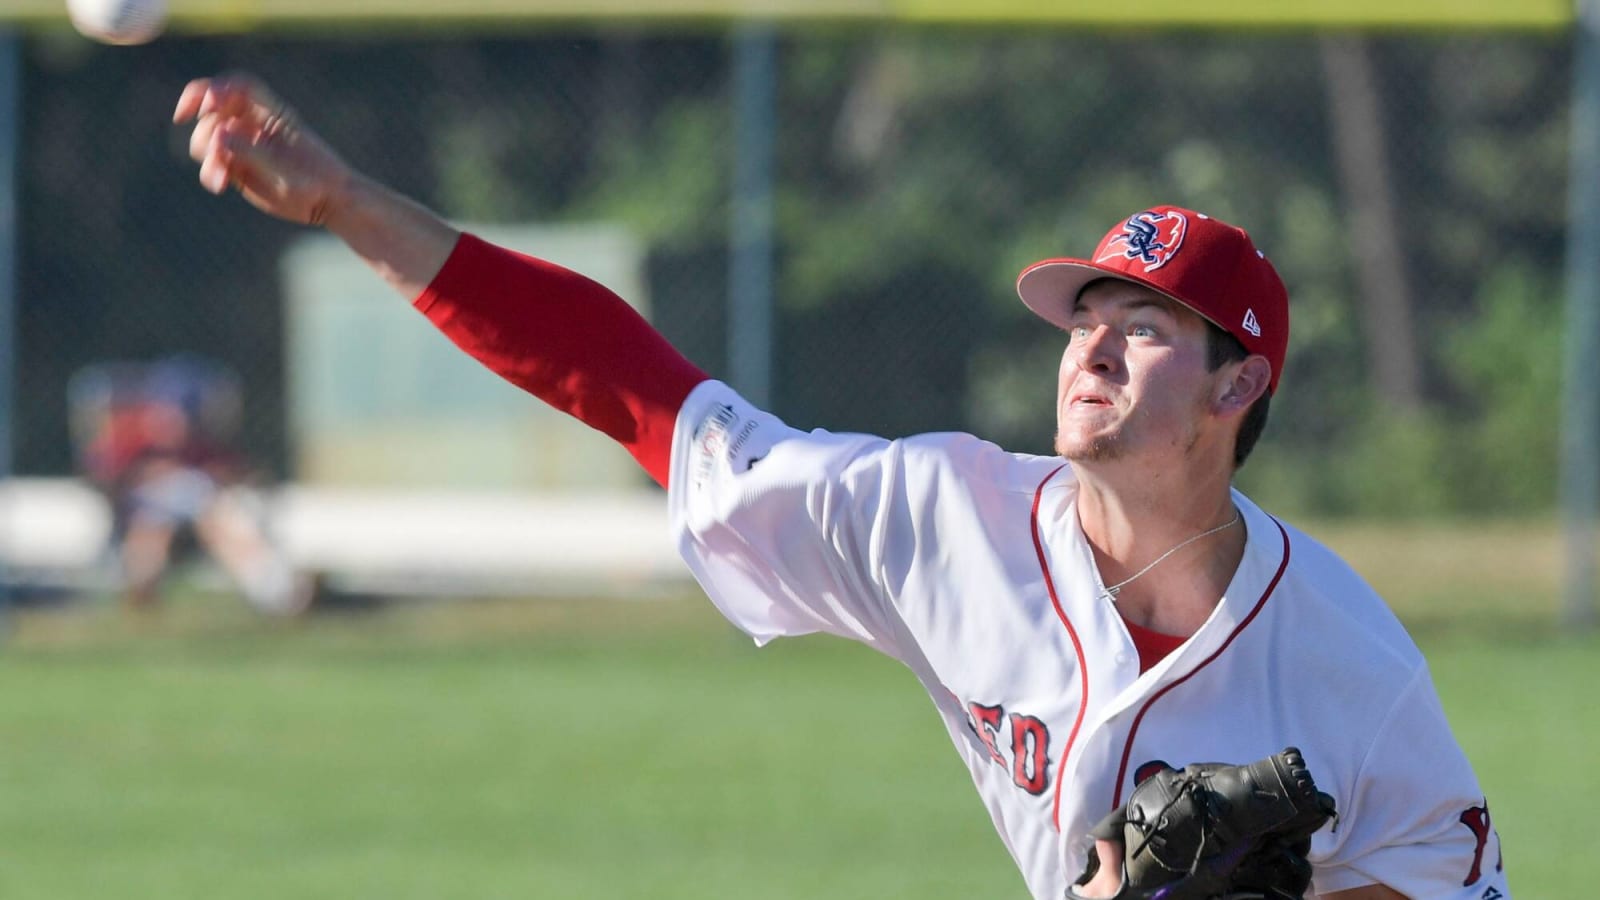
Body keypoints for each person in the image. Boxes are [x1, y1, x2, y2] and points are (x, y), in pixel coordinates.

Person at [174, 73, 1510, 899]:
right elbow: (640, 392)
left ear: (1237, 389)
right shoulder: (944, 520)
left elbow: (1447, 881)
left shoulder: (1351, 662)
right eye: (1085, 315)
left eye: (1147, 327)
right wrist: (351, 204)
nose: (1091, 346)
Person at [72, 353, 307, 615]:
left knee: (218, 512)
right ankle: (139, 594)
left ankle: (275, 589)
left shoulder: (201, 442)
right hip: (144, 520)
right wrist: (157, 478)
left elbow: (235, 473)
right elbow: (103, 477)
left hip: (202, 521)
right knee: (155, 527)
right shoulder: (131, 435)